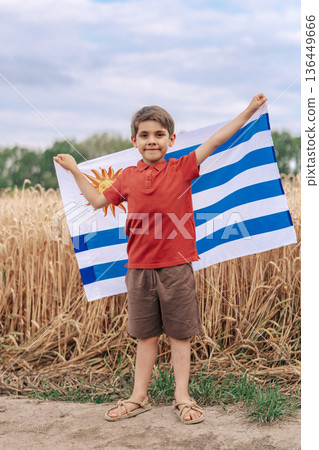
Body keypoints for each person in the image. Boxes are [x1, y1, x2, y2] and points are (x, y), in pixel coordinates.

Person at [54, 93, 267, 424]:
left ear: (171, 139)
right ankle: (139, 397)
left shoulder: (182, 168)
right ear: (134, 141)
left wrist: (249, 110)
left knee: (180, 335)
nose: (151, 140)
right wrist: (73, 170)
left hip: (176, 268)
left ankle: (182, 397)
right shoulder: (126, 177)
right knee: (146, 335)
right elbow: (96, 200)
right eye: (144, 135)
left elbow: (215, 140)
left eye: (158, 135)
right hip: (138, 270)